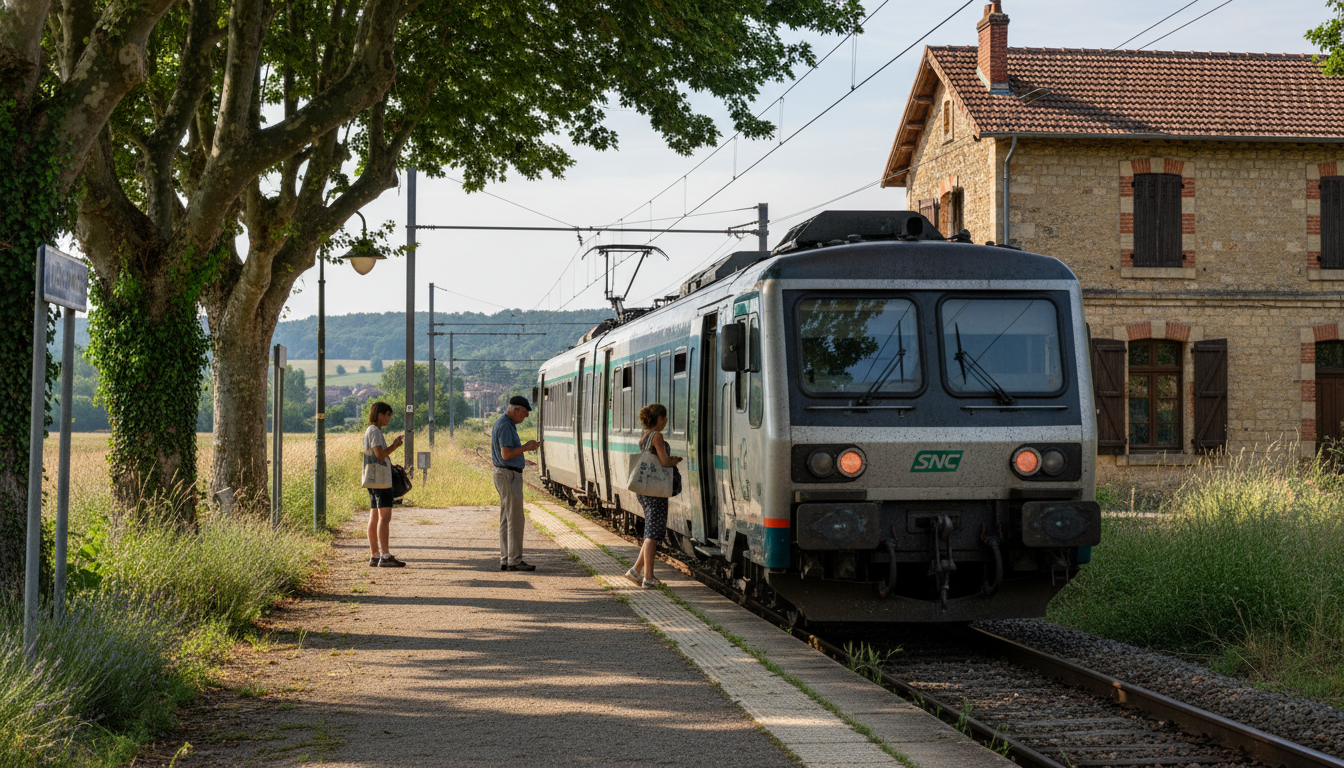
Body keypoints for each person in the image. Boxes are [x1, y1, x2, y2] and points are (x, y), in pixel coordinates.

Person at [625, 403, 682, 589]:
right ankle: (648, 578)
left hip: (646, 491)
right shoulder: (657, 436)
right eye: (664, 418)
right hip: (655, 492)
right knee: (652, 535)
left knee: (652, 531)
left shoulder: (645, 436)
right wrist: (675, 461)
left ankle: (635, 571)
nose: (665, 421)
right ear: (658, 419)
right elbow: (664, 461)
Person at [493, 395, 540, 571]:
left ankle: (507, 558)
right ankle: (514, 560)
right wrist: (527, 447)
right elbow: (506, 454)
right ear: (516, 409)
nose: (524, 418)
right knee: (515, 519)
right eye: (524, 414)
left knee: (506, 518)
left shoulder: (505, 423)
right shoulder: (505, 425)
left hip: (504, 474)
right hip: (508, 474)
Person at [363, 401, 406, 567]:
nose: (389, 418)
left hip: (372, 479)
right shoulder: (374, 431)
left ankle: (374, 555)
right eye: (387, 415)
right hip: (380, 479)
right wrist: (394, 446)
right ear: (379, 415)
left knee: (374, 516)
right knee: (385, 517)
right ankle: (385, 556)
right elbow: (380, 455)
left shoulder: (371, 430)